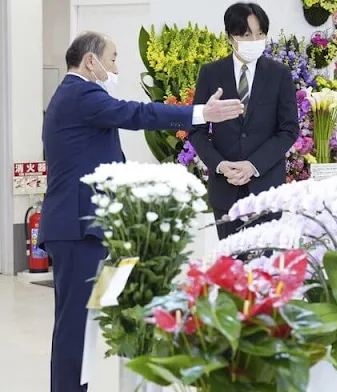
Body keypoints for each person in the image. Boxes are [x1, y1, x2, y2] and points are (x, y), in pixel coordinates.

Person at [39, 31, 244, 392]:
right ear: (91, 61)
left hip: (91, 230)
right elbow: (138, 113)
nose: (116, 66)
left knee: (94, 319)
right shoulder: (81, 93)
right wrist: (202, 113)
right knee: (75, 324)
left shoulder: (74, 97)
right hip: (78, 231)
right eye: (113, 58)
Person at [189, 2, 298, 239]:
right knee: (231, 268)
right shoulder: (211, 73)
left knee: (266, 265)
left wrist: (254, 165)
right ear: (230, 37)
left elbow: (289, 130)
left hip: (266, 187)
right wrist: (220, 165)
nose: (255, 40)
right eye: (247, 35)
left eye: (260, 34)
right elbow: (197, 129)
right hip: (225, 188)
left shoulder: (279, 74)